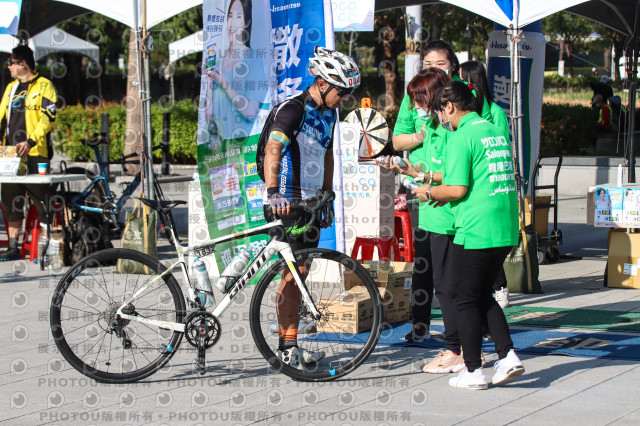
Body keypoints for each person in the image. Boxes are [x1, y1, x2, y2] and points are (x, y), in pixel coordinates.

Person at [416, 80, 524, 390]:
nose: (440, 118)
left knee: (463, 298)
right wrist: (430, 180)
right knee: (480, 295)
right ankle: (507, 356)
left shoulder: (461, 136)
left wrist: (428, 193)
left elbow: (457, 188)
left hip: (476, 227)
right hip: (504, 227)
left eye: (440, 111)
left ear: (449, 107)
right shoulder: (493, 130)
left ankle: (474, 370)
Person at [262, 46, 360, 369]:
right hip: (287, 202)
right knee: (293, 275)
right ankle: (287, 347)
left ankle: (289, 345)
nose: (344, 99)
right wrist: (273, 193)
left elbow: (328, 153)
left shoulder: (329, 113)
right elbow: (273, 148)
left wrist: (327, 194)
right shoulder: (295, 109)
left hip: (311, 202)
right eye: (341, 92)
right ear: (322, 83)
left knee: (301, 270)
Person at [380, 68, 468, 373]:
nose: (415, 107)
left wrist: (427, 181)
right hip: (431, 213)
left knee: (449, 286)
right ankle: (460, 349)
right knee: (440, 282)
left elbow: (454, 178)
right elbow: (425, 166)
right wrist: (408, 170)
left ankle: (458, 350)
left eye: (420, 101)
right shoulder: (431, 127)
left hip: (447, 216)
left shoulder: (452, 131)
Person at [392, 40, 462, 343]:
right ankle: (422, 324)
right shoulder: (429, 121)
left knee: (452, 275)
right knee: (424, 262)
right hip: (425, 196)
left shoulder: (455, 118)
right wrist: (417, 172)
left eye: (439, 65)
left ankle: (461, 338)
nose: (432, 69)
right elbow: (397, 140)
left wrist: (427, 178)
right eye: (427, 65)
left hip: (449, 200)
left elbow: (458, 174)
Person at [460, 61, 511, 308]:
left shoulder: (495, 113)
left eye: (462, 79)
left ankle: (500, 287)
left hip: (488, 185)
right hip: (469, 186)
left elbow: (500, 149)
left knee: (489, 243)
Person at [0, 45, 57, 261]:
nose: (9, 67)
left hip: (35, 153)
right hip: (10, 155)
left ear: (23, 63)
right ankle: (13, 246)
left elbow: (48, 118)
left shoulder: (44, 85)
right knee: (11, 200)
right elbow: (2, 115)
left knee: (40, 200)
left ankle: (48, 246)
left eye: (12, 63)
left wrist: (31, 141)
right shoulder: (11, 87)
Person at [204, 0, 267, 140]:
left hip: (245, 145)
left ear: (247, 22)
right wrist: (208, 80)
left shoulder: (253, 58)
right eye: (230, 16)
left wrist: (224, 83)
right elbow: (209, 119)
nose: (232, 23)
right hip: (220, 147)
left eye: (239, 16)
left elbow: (250, 112)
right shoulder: (217, 61)